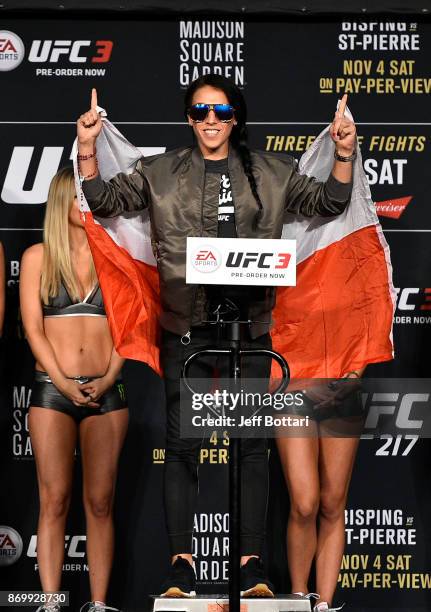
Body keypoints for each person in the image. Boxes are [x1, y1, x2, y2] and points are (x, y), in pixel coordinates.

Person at [76, 74, 356, 598]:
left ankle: (250, 567)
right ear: (188, 117)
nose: (211, 121)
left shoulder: (273, 172)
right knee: (182, 446)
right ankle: (181, 565)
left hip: (250, 330)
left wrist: (343, 153)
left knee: (250, 448)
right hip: (186, 329)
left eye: (222, 112)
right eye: (200, 111)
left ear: (236, 118)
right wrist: (88, 148)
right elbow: (104, 201)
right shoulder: (159, 172)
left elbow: (330, 204)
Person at [20, 167, 128, 612]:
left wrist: (107, 378)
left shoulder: (116, 258)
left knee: (100, 503)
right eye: (80, 196)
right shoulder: (37, 258)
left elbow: (129, 329)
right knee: (54, 499)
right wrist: (64, 382)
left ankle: (99, 605)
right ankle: (50, 601)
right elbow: (32, 330)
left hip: (108, 390)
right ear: (63, 200)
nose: (88, 203)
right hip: (51, 390)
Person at [277, 370, 365, 612]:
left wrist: (354, 375)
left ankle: (324, 603)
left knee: (333, 504)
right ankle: (299, 598)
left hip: (342, 388)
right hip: (293, 386)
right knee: (305, 504)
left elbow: (368, 335)